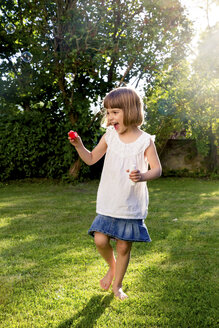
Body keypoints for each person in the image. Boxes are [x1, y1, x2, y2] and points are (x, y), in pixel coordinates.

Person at [69, 87, 162, 300]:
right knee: (100, 240)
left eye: (115, 112)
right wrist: (79, 146)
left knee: (123, 246)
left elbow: (157, 169)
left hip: (130, 205)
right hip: (109, 201)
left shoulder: (145, 140)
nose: (110, 118)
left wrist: (143, 175)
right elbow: (91, 159)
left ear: (130, 111)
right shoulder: (109, 136)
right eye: (108, 112)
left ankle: (117, 286)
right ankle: (112, 267)